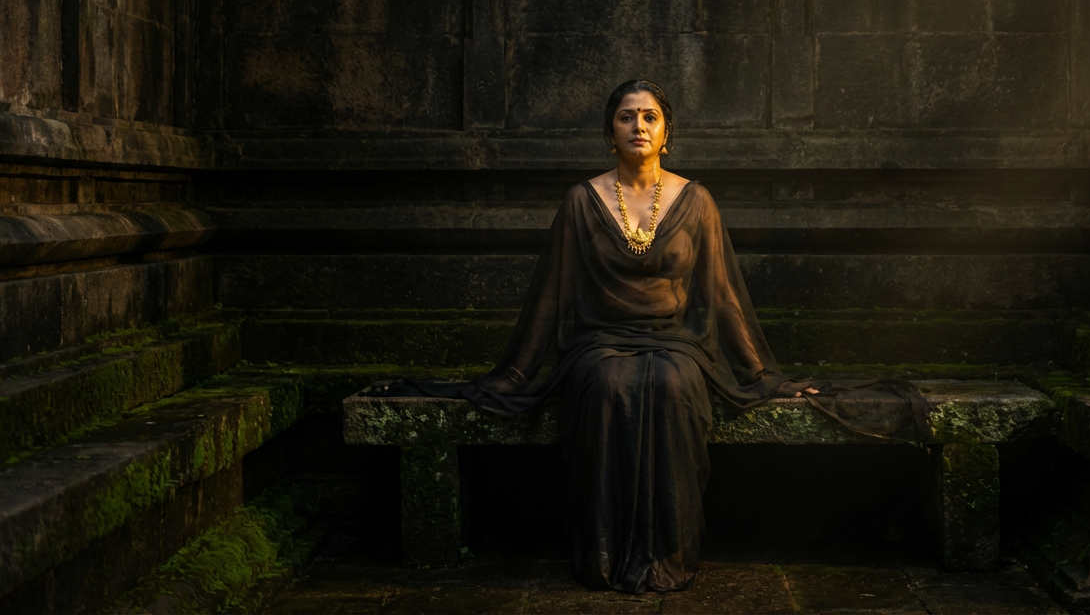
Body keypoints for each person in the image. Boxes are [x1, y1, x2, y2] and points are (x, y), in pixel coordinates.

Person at [366, 80, 929, 594]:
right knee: (610, 385)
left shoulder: (696, 201)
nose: (638, 126)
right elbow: (551, 296)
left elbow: (723, 296)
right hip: (598, 342)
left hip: (677, 343)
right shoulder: (581, 202)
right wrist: (514, 374)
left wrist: (761, 375)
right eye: (626, 117)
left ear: (666, 134)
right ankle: (604, 556)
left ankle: (669, 554)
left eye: (650, 117)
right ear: (609, 134)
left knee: (670, 385)